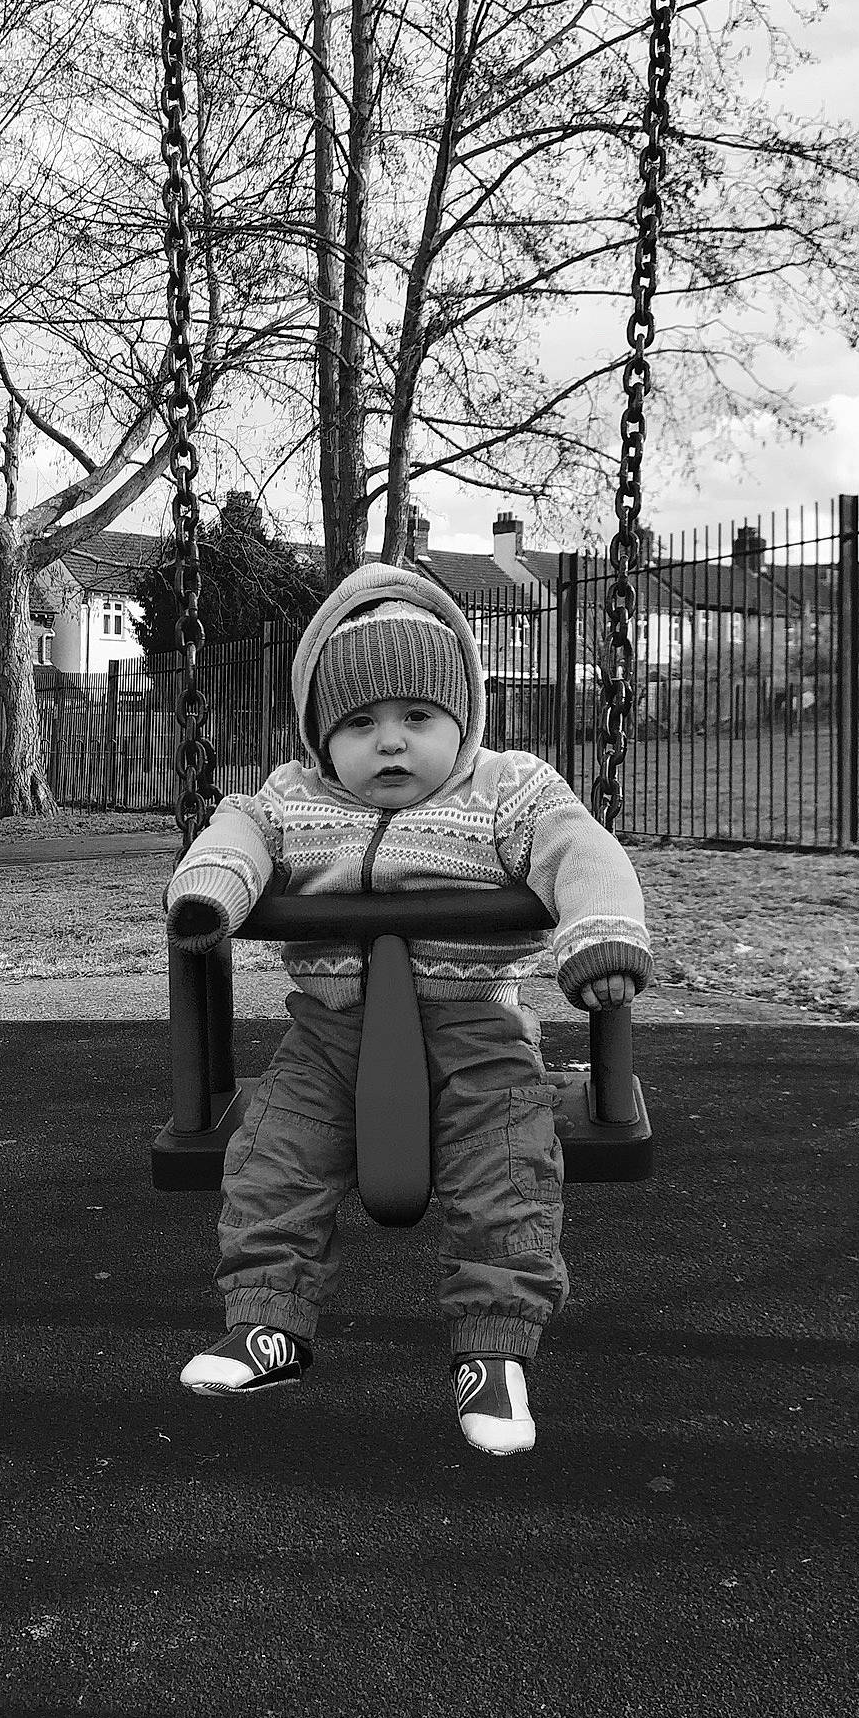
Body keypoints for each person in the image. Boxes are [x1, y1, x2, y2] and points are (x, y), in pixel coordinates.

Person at [164, 562, 652, 1456]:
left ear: (462, 718)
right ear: (322, 735)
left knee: (507, 1172)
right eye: (360, 723)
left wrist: (600, 936)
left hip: (477, 1031)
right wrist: (208, 895)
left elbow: (579, 844)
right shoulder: (292, 798)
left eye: (417, 718)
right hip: (330, 1034)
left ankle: (494, 1352)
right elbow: (235, 832)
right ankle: (267, 1324)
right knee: (271, 1159)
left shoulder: (509, 790)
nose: (390, 743)